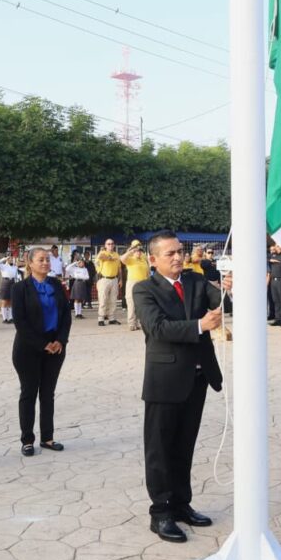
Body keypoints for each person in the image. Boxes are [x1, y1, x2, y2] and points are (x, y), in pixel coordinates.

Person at [133, 230, 230, 543]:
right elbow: (157, 328)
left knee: (184, 445)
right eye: (170, 254)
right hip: (165, 381)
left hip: (197, 378)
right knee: (160, 448)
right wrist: (201, 325)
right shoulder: (144, 289)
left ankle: (181, 503)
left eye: (179, 251)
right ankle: (160, 511)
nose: (177, 257)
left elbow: (223, 301)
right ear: (153, 259)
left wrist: (231, 288)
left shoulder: (195, 281)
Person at [11, 248, 71, 456]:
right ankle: (27, 440)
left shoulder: (56, 285)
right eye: (41, 260)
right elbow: (20, 321)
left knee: (48, 394)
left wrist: (60, 340)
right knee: (29, 393)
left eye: (47, 259)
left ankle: (48, 437)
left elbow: (66, 315)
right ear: (30, 263)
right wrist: (41, 344)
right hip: (28, 348)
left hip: (55, 347)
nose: (45, 263)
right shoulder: (20, 288)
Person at [121, 240, 151, 331]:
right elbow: (122, 259)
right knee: (131, 303)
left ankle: (139, 322)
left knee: (141, 303)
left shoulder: (143, 259)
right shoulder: (130, 259)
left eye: (139, 250)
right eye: (136, 250)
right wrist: (130, 251)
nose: (138, 252)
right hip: (132, 282)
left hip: (143, 283)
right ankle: (131, 323)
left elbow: (148, 272)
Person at [95, 240, 122, 326]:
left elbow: (119, 269)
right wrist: (111, 258)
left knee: (113, 300)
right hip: (104, 279)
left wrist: (121, 279)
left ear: (114, 245)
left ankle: (112, 318)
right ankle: (101, 318)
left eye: (112, 244)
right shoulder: (103, 252)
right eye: (108, 244)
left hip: (114, 279)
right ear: (105, 245)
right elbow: (101, 257)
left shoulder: (116, 254)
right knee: (103, 299)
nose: (110, 245)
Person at [0, 254, 21, 323]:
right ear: (7, 259)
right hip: (5, 283)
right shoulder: (3, 266)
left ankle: (11, 318)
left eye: (12, 258)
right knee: (4, 302)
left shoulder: (14, 267)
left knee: (11, 301)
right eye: (9, 258)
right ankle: (5, 318)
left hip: (13, 283)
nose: (11, 259)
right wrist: (3, 259)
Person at [65, 251, 91, 319]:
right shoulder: (75, 269)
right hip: (77, 283)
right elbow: (67, 268)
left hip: (82, 283)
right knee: (76, 299)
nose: (81, 263)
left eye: (82, 262)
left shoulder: (85, 269)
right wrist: (74, 263)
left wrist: (79, 276)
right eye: (80, 262)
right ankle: (77, 313)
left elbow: (87, 277)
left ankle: (80, 313)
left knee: (80, 299)